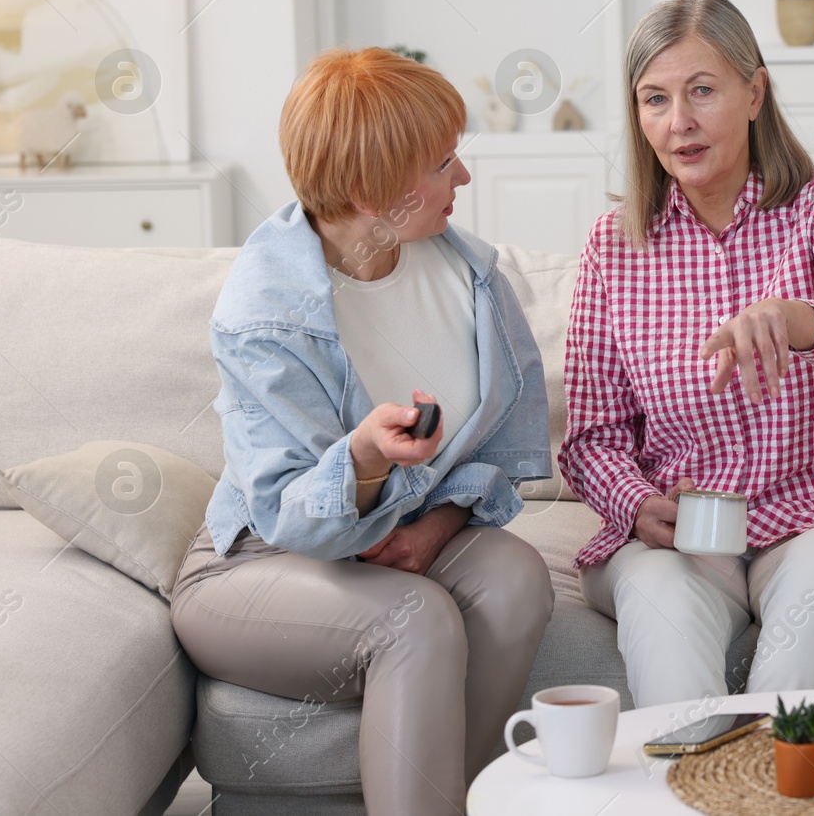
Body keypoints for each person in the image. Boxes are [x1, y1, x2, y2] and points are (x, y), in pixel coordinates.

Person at [169, 48, 554, 812]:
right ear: (368, 193)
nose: (464, 179)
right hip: (256, 562)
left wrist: (436, 527)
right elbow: (286, 510)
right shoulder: (265, 311)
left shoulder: (471, 276)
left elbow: (505, 447)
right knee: (414, 618)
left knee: (515, 578)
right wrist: (366, 456)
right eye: (443, 162)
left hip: (391, 552)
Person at [559, 0, 814, 708]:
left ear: (755, 92)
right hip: (690, 530)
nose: (678, 121)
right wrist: (636, 503)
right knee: (665, 632)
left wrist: (790, 316)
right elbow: (591, 436)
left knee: (809, 620)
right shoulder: (613, 245)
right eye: (654, 99)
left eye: (702, 91)